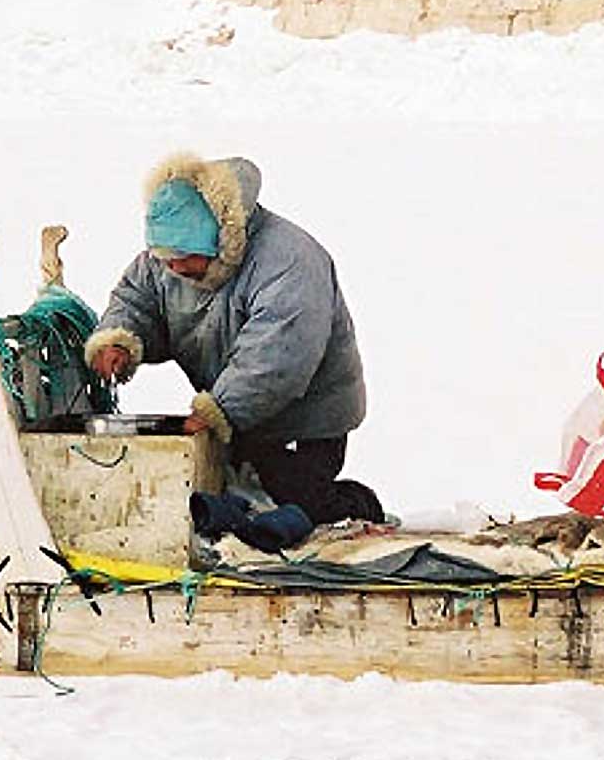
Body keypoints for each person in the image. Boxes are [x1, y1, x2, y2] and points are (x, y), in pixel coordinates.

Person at [86, 152, 384, 547]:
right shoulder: (168, 260)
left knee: (292, 506)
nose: (171, 269)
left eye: (181, 259)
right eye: (164, 258)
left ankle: (356, 505)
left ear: (216, 241)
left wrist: (220, 409)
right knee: (234, 506)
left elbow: (277, 355)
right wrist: (119, 340)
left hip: (307, 417)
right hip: (235, 412)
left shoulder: (289, 260)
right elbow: (137, 301)